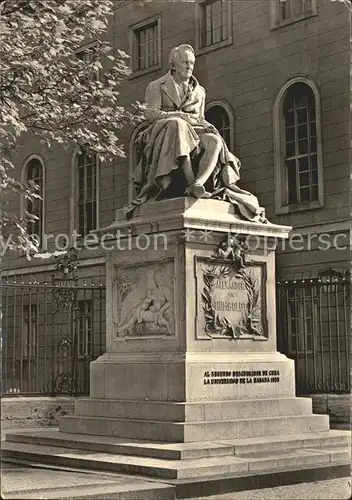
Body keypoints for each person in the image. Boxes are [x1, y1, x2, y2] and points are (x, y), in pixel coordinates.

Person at [127, 44, 267, 223]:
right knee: (177, 125)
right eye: (185, 62)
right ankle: (190, 179)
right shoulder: (156, 86)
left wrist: (208, 126)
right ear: (174, 65)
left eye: (192, 63)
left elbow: (199, 119)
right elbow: (150, 114)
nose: (189, 67)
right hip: (161, 135)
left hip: (192, 133)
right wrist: (177, 115)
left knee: (214, 140)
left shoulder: (199, 92)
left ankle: (197, 184)